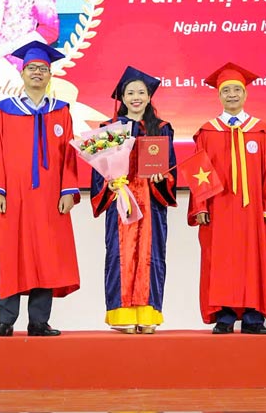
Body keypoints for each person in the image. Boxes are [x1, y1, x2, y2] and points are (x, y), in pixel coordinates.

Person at [0, 40, 80, 337]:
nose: (37, 73)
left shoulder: (61, 112)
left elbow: (69, 155)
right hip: (15, 196)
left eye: (43, 68)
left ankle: (39, 321)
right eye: (32, 68)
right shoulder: (5, 111)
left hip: (50, 197)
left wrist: (68, 191)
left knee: (46, 255)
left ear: (50, 75)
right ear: (22, 73)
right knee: (12, 254)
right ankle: (6, 319)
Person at [189, 62, 266, 335]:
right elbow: (198, 171)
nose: (231, 95)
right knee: (222, 262)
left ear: (245, 94)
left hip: (253, 212)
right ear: (218, 96)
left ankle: (254, 318)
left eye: (236, 90)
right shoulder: (207, 132)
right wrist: (200, 206)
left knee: (254, 261)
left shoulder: (261, 132)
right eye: (226, 90)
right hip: (219, 209)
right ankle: (225, 316)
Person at [90, 66, 176, 334]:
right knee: (120, 256)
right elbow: (98, 173)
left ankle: (148, 315)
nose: (136, 97)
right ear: (123, 97)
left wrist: (164, 179)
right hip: (121, 202)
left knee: (152, 257)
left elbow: (171, 168)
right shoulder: (109, 129)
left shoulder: (161, 128)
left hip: (151, 204)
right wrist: (110, 184)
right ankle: (122, 316)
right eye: (130, 92)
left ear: (150, 97)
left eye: (141, 92)